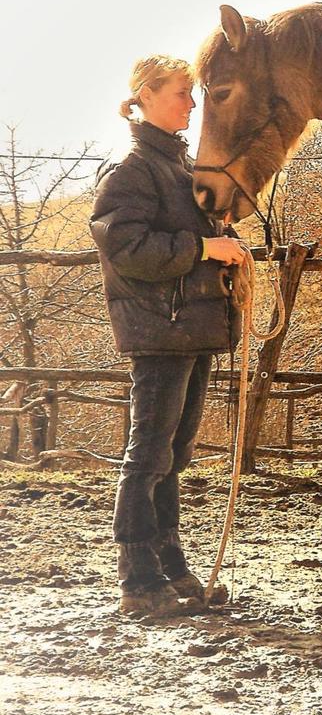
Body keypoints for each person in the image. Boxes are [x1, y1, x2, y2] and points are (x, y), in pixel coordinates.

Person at [90, 55, 247, 615]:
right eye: (182, 91)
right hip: (160, 329)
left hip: (188, 326)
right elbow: (128, 249)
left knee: (174, 453)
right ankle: (137, 576)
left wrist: (220, 237)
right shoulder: (132, 171)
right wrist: (205, 248)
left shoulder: (179, 169)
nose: (191, 103)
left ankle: (169, 564)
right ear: (146, 95)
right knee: (149, 454)